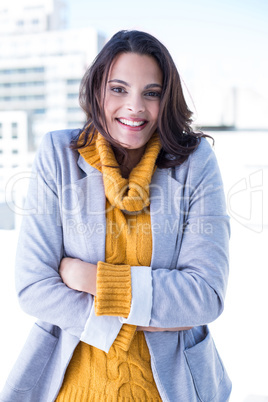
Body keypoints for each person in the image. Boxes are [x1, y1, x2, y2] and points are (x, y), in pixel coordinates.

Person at [0, 30, 232, 401]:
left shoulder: (196, 163)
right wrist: (148, 315)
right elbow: (34, 288)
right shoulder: (57, 155)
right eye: (119, 89)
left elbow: (205, 295)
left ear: (166, 99)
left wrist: (90, 278)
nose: (135, 107)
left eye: (151, 93)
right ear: (97, 92)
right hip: (71, 386)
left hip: (171, 389)